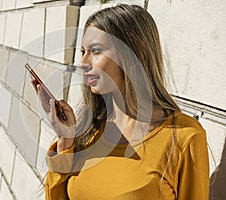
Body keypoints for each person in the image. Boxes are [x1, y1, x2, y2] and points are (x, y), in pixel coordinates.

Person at [32, 4, 209, 200]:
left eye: (96, 51)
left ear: (135, 53)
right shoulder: (87, 130)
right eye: (83, 51)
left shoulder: (185, 137)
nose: (83, 63)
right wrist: (65, 139)